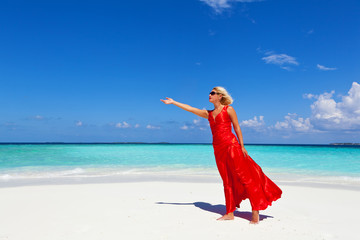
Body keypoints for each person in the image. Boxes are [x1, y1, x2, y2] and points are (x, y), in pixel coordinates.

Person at [161, 86, 282, 224]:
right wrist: (174, 102)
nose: (209, 95)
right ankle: (229, 212)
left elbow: (237, 127)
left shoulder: (229, 109)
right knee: (227, 180)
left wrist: (242, 146)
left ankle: (255, 212)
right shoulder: (208, 114)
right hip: (218, 150)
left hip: (232, 146)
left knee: (246, 177)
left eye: (212, 93)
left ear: (220, 96)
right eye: (209, 93)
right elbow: (190, 108)